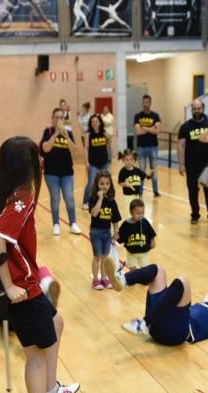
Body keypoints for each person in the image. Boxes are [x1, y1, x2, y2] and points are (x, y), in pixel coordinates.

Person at [0, 137, 80, 393]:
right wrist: (8, 286)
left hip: (22, 282)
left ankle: (51, 389)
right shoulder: (23, 196)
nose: (41, 159)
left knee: (56, 321)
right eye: (37, 155)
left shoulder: (1, 194)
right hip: (19, 289)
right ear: (26, 165)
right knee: (35, 354)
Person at [40, 107, 81, 236]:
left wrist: (66, 136)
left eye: (61, 117)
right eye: (56, 117)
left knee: (69, 197)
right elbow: (45, 149)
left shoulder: (68, 132)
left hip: (67, 172)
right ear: (52, 119)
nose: (58, 120)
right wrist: (55, 134)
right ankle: (56, 224)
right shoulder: (48, 131)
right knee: (55, 198)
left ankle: (73, 223)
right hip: (51, 172)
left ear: (64, 119)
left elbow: (74, 150)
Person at [177, 98, 208, 224]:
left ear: (203, 108)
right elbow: (181, 145)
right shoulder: (185, 126)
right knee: (193, 191)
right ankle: (195, 214)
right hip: (191, 165)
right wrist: (181, 164)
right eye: (194, 109)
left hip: (207, 165)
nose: (196, 111)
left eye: (199, 108)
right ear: (191, 110)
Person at [87, 170, 123, 290]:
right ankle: (95, 280)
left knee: (105, 257)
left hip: (107, 233)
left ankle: (104, 277)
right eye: (102, 183)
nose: (104, 186)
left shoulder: (112, 201)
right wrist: (100, 199)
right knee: (97, 257)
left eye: (107, 183)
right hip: (95, 232)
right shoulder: (93, 198)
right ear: (97, 184)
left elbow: (115, 218)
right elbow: (94, 213)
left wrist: (116, 231)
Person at [133, 94, 162, 197]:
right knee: (141, 170)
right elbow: (137, 132)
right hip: (141, 147)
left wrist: (144, 127)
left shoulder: (155, 116)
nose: (145, 104)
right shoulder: (137, 116)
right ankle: (140, 191)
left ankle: (155, 191)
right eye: (144, 102)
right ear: (142, 103)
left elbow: (158, 131)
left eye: (147, 102)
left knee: (154, 169)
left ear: (150, 103)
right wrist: (151, 128)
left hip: (153, 147)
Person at [115, 198, 156, 268]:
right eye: (138, 213)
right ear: (131, 212)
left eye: (143, 213)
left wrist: (152, 241)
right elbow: (120, 236)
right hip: (131, 253)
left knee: (145, 270)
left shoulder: (145, 222)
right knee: (132, 270)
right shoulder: (126, 224)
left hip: (144, 253)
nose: (140, 215)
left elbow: (151, 233)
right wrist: (115, 236)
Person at [82, 114, 112, 203]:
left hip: (104, 161)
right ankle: (86, 201)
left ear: (99, 123)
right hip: (93, 163)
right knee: (91, 183)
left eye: (96, 121)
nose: (94, 123)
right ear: (90, 124)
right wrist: (86, 161)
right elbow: (86, 149)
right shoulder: (88, 135)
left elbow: (109, 141)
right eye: (92, 122)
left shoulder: (104, 132)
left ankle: (104, 199)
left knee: (105, 182)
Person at [117, 148, 152, 215]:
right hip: (128, 196)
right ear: (123, 160)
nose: (129, 161)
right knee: (128, 212)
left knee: (136, 212)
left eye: (131, 159)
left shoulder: (137, 170)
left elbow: (145, 176)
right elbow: (120, 183)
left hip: (137, 195)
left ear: (134, 160)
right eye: (126, 160)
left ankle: (136, 223)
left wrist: (150, 175)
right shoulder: (122, 172)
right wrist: (125, 184)